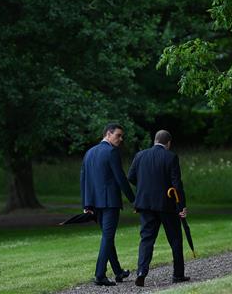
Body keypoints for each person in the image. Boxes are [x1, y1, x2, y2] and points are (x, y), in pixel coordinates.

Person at [128, 129, 190, 287]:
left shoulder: (140, 155)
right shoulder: (171, 157)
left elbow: (131, 177)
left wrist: (145, 187)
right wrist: (181, 205)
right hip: (167, 205)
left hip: (145, 204)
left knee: (146, 239)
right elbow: (177, 184)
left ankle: (141, 271)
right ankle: (178, 274)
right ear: (168, 143)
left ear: (155, 140)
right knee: (175, 239)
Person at [80, 123, 135, 286]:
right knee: (108, 238)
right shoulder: (111, 152)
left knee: (107, 238)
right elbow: (121, 179)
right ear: (108, 134)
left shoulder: (89, 152)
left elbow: (83, 180)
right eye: (118, 135)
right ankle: (100, 275)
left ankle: (118, 272)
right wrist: (134, 200)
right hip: (109, 203)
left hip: (94, 204)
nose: (121, 139)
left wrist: (86, 203)